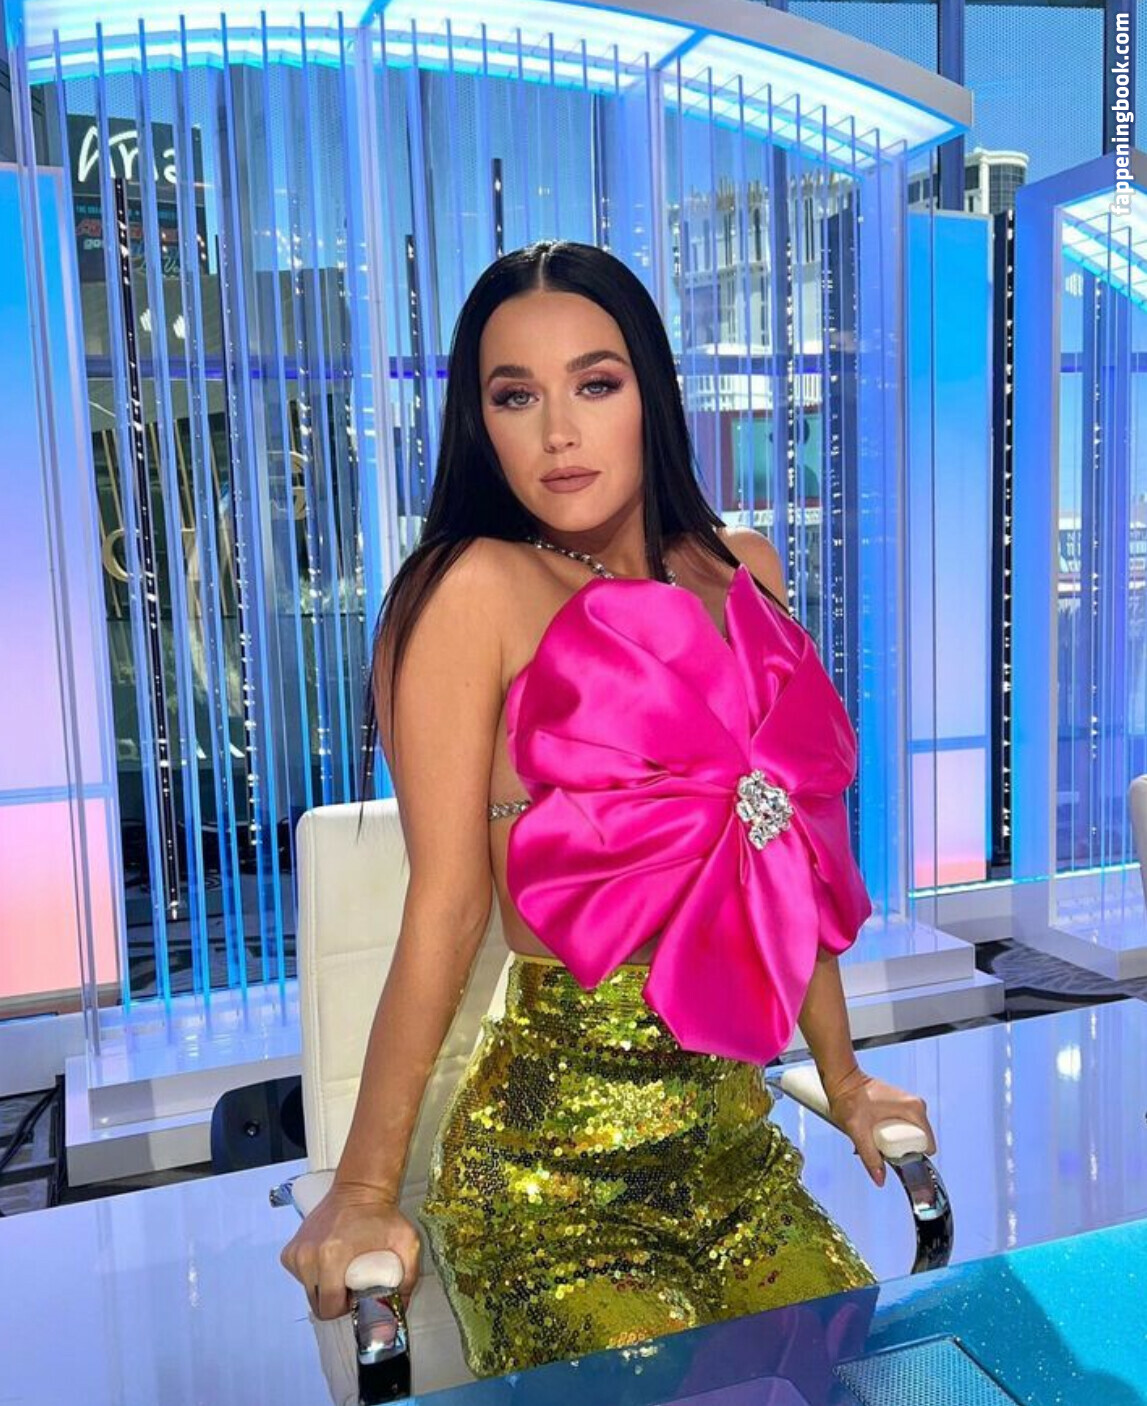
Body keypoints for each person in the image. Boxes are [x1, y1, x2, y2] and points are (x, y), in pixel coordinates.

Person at [280, 239, 936, 1379]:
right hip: (554, 1183)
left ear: (651, 395)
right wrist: (365, 1186)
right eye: (514, 396)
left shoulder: (744, 571)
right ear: (480, 423)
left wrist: (842, 1076)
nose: (557, 432)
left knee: (859, 1379)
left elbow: (787, 858)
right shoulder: (471, 588)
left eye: (594, 382)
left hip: (733, 1156)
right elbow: (445, 903)